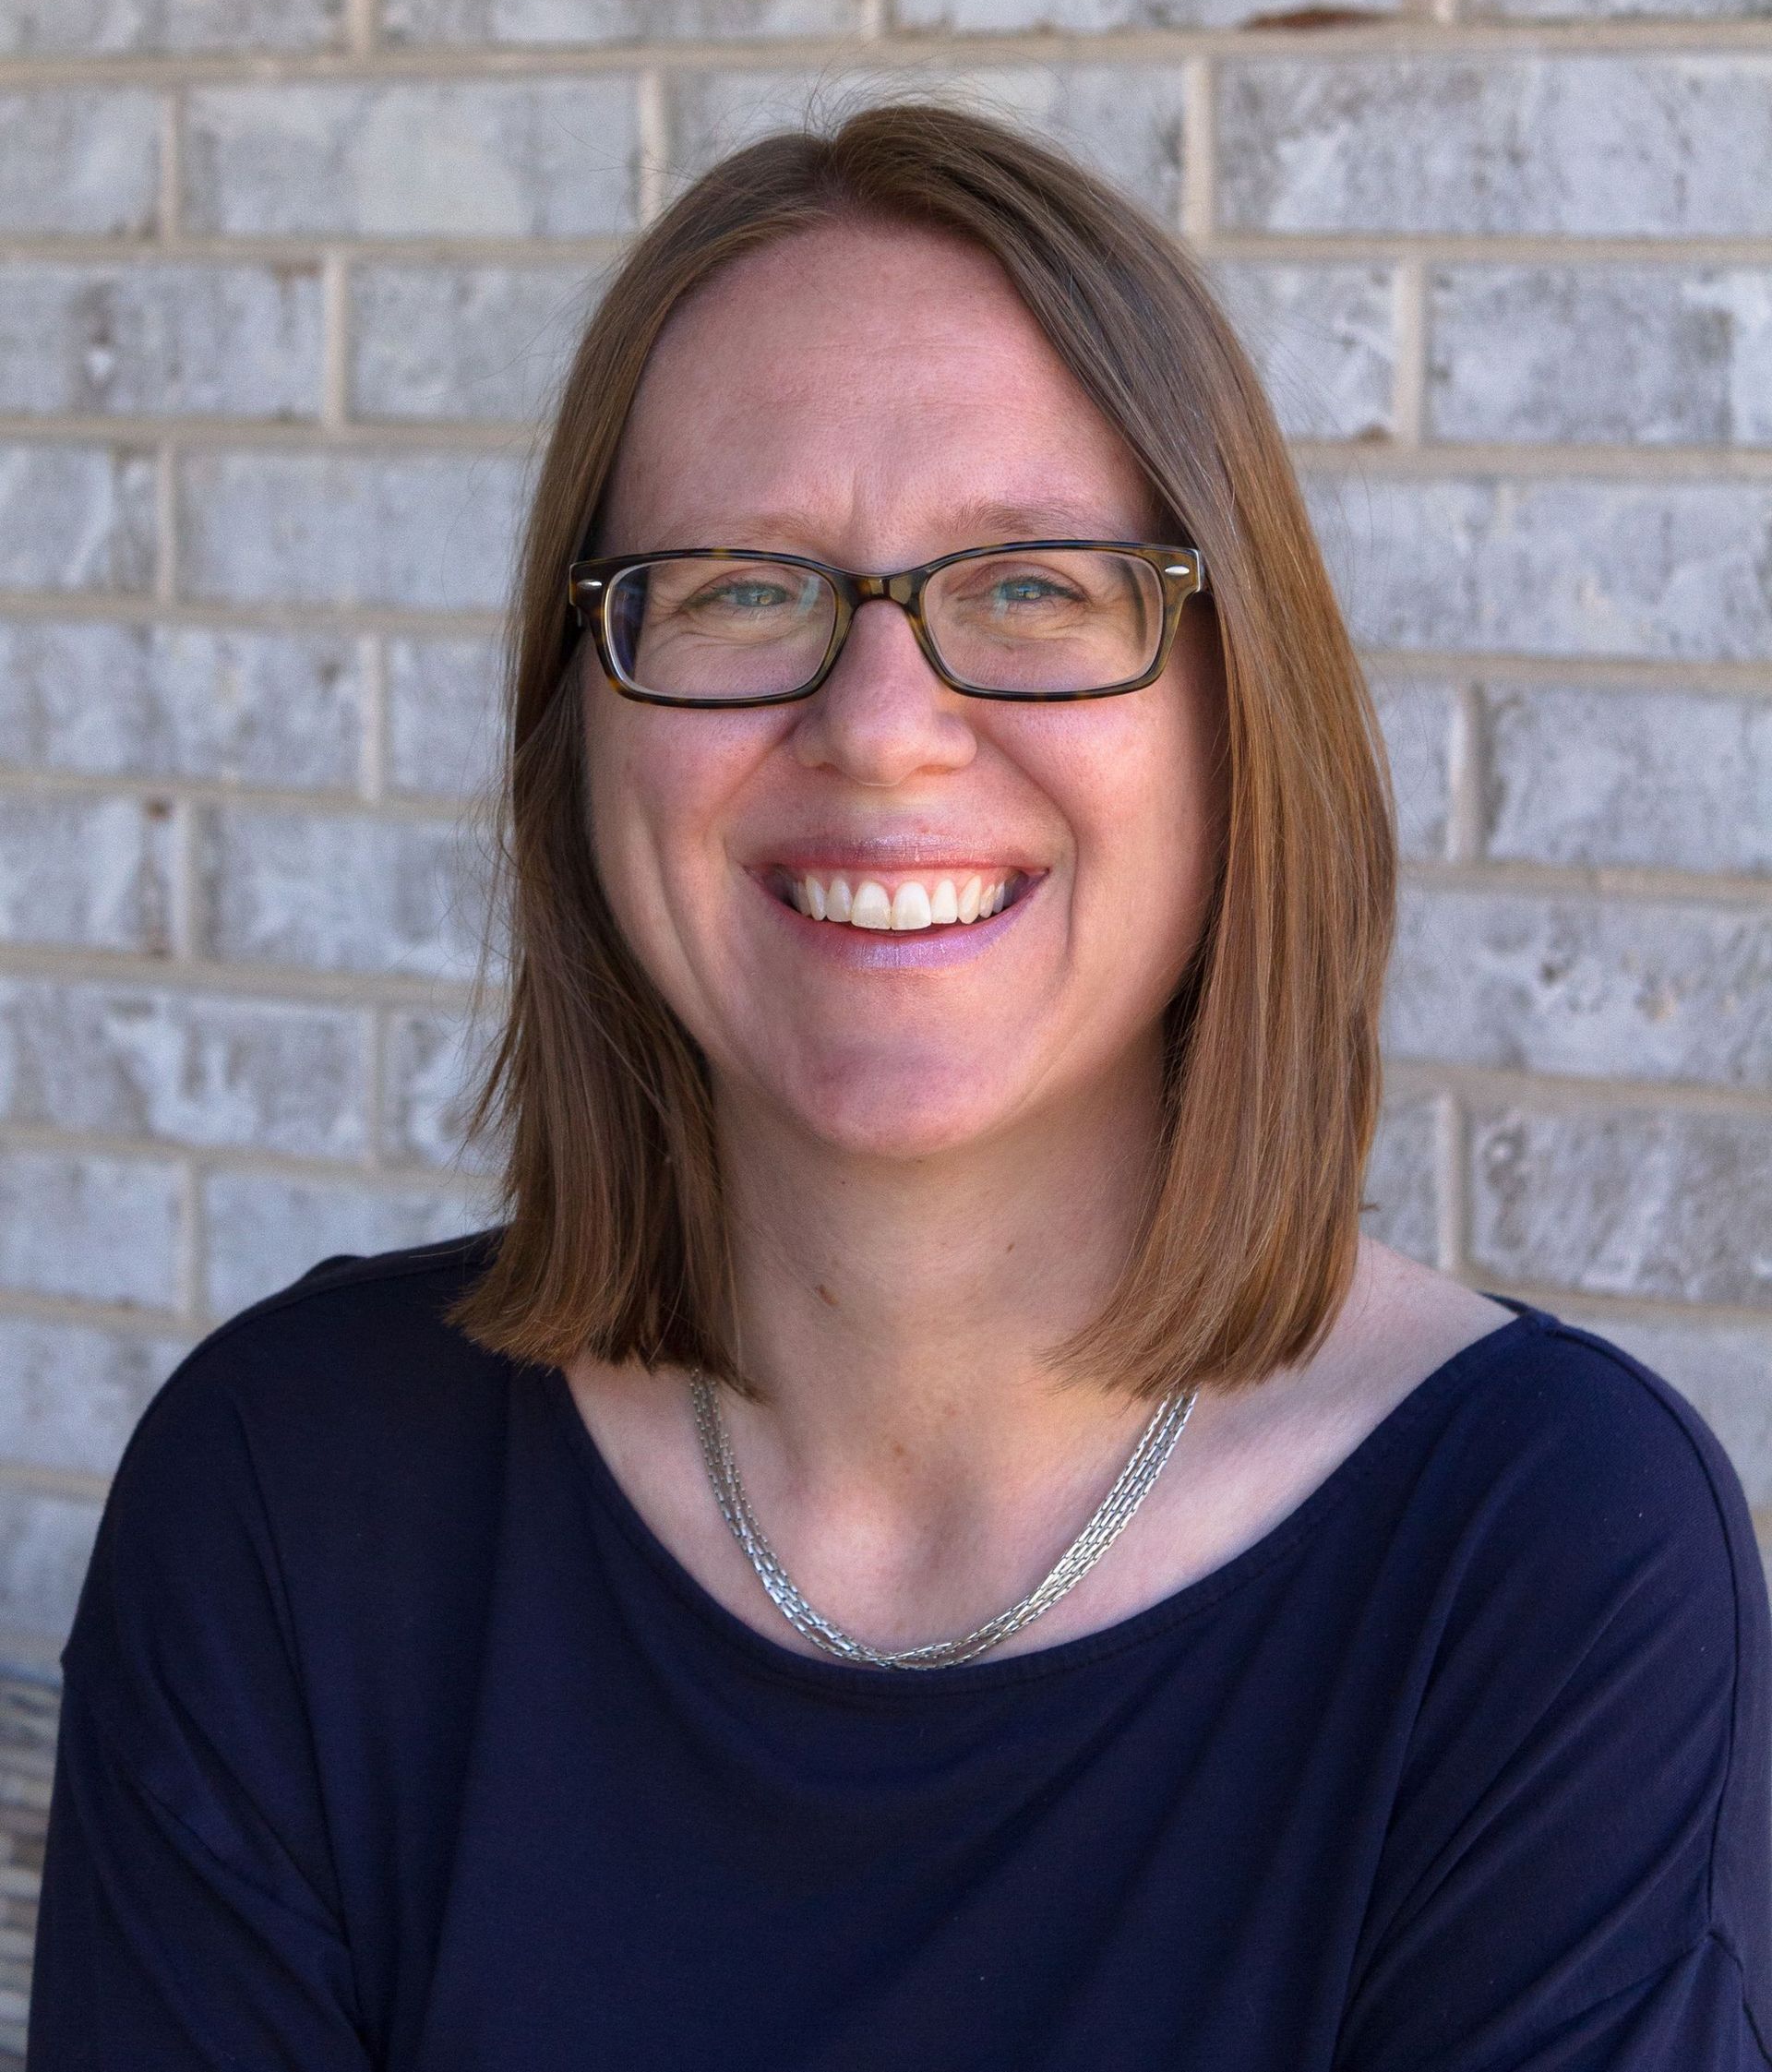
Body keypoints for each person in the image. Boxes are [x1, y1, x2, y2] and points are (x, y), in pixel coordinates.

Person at [28, 105, 1770, 2070]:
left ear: (1232, 716)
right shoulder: (290, 1496)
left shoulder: (1542, 1562)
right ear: (580, 726)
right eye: (738, 589)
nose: (880, 729)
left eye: (1034, 586)